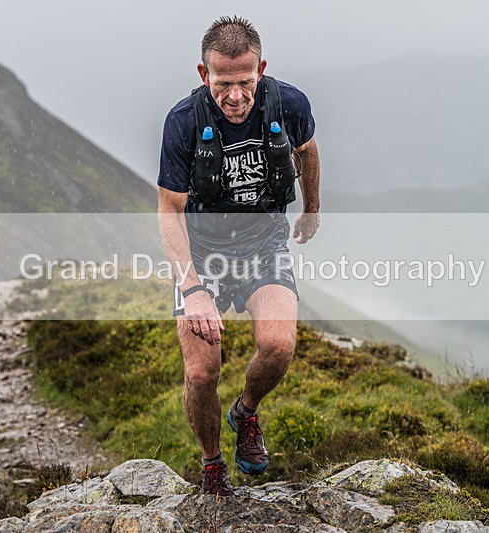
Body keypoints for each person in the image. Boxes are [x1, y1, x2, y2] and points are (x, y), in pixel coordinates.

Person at [157, 15, 320, 496]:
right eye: (223, 83)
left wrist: (311, 209)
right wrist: (193, 291)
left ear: (261, 70)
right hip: (202, 252)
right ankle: (211, 463)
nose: (234, 96)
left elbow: (307, 151)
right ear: (204, 75)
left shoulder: (289, 104)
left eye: (245, 83)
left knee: (278, 346)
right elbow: (169, 211)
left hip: (263, 242)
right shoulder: (182, 123)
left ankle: (245, 412)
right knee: (201, 372)